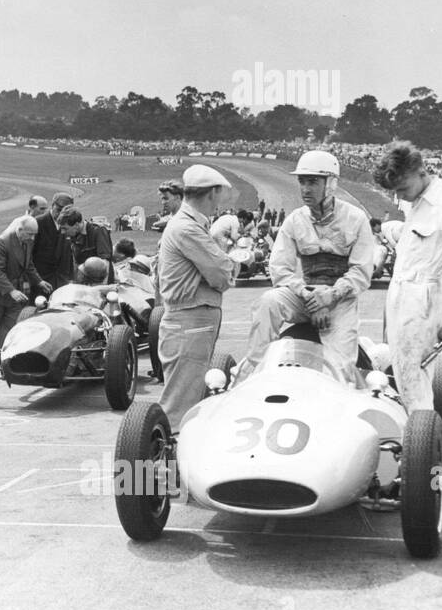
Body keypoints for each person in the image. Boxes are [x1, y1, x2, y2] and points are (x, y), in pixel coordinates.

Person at [238, 151, 374, 380]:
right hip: (304, 297)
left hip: (340, 300)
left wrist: (330, 297)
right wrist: (309, 297)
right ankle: (254, 373)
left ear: (330, 184)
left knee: (342, 369)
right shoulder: (294, 220)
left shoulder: (356, 219)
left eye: (312, 182)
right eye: (302, 181)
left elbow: (361, 273)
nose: (305, 189)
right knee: (268, 302)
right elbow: (279, 268)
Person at [372, 143, 442, 413]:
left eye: (402, 189)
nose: (400, 197)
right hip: (401, 297)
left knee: (414, 379)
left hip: (424, 301)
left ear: (421, 171)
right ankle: (417, 435)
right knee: (402, 375)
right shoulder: (415, 204)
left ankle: (421, 444)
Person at [155, 165, 239, 428]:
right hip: (189, 322)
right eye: (219, 195)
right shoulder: (187, 228)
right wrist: (231, 259)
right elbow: (222, 275)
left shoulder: (189, 225)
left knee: (192, 400)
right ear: (212, 193)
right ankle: (167, 463)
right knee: (180, 406)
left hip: (192, 321)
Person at [0, 216, 51, 345]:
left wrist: (39, 281)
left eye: (34, 235)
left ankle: (4, 362)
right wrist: (11, 291)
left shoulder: (28, 241)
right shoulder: (2, 242)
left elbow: (28, 264)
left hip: (14, 297)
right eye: (30, 234)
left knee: (10, 335)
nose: (33, 238)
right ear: (20, 230)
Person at [34, 193, 75, 290]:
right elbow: (29, 256)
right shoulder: (38, 223)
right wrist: (33, 280)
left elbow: (69, 253)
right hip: (41, 282)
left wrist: (71, 278)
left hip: (62, 281)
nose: (61, 213)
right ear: (52, 206)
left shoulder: (69, 224)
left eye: (65, 210)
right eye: (58, 210)